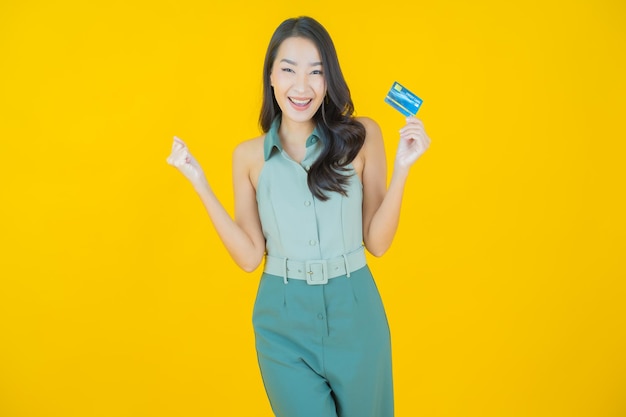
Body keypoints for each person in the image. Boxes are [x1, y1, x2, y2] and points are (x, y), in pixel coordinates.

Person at [167, 16, 430, 417]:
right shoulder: (248, 157)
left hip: (356, 312)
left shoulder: (363, 136)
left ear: (329, 80)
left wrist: (403, 169)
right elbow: (250, 257)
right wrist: (199, 181)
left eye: (316, 72)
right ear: (271, 76)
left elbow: (377, 242)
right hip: (283, 320)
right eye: (288, 70)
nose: (301, 86)